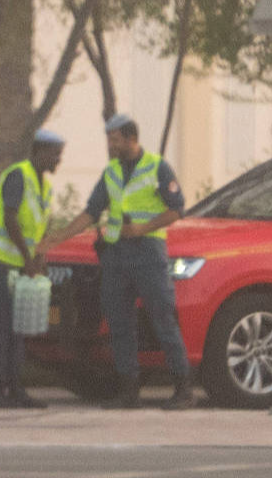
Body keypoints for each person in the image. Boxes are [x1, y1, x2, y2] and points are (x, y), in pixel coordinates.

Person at [36, 114, 195, 410]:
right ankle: (129, 392)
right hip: (116, 256)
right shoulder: (111, 172)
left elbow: (177, 209)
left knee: (163, 320)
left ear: (131, 138)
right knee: (119, 324)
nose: (111, 145)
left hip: (148, 253)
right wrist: (57, 238)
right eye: (109, 139)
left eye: (115, 140)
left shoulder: (156, 167)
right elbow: (91, 212)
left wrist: (142, 229)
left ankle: (183, 389)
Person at [0, 129, 63, 410]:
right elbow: (10, 219)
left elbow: (38, 227)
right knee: (0, 330)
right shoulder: (18, 175)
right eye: (54, 154)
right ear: (39, 152)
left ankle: (16, 391)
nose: (58, 160)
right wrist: (28, 259)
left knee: (17, 329)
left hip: (15, 265)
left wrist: (39, 257)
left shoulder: (45, 187)